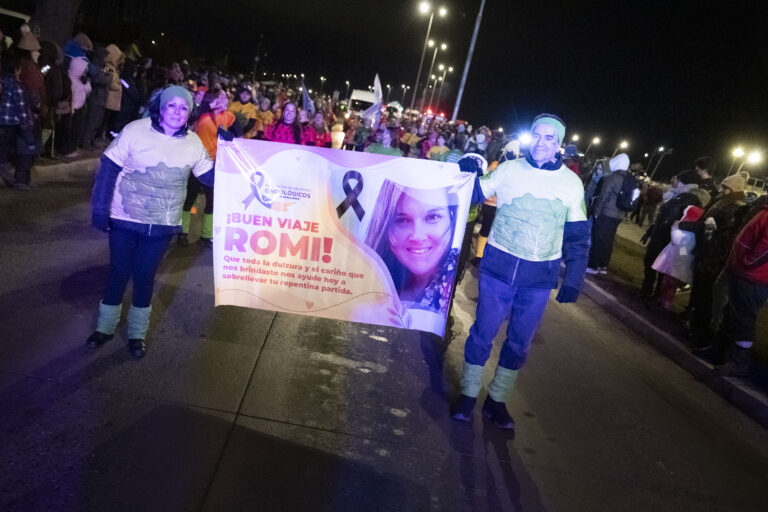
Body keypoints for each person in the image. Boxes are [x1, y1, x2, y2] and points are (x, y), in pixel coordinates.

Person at [450, 113, 589, 430]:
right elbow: (471, 194)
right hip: (498, 270)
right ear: (530, 137)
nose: (542, 142)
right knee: (482, 335)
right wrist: (466, 175)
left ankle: (497, 400)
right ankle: (469, 394)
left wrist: (575, 277)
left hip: (538, 280)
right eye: (537, 135)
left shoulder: (571, 183)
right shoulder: (509, 170)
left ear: (559, 145)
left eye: (550, 138)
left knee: (518, 344)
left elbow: (579, 236)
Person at [86, 85, 215, 358]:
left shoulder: (193, 142)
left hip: (161, 224)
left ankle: (136, 334)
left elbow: (209, 177)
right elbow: (108, 168)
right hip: (124, 218)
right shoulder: (135, 130)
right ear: (161, 106)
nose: (177, 112)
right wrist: (100, 208)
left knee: (144, 276)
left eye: (183, 108)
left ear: (190, 113)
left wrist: (232, 153)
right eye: (172, 105)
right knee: (118, 272)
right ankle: (104, 328)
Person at [365, 182, 459, 331]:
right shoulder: (373, 285)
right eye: (402, 220)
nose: (417, 235)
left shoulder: (453, 275)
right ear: (384, 226)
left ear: (452, 219)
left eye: (433, 217)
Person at [640, 170, 707, 300]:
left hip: (668, 238)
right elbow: (662, 215)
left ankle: (656, 296)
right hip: (659, 235)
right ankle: (646, 290)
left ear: (685, 183)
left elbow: (690, 221)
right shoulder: (679, 196)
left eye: (679, 180)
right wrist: (650, 232)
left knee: (662, 268)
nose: (675, 182)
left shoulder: (691, 199)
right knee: (649, 262)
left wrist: (676, 232)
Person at [651, 205, 704, 310]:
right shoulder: (693, 229)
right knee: (668, 284)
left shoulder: (685, 229)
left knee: (669, 284)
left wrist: (674, 229)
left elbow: (679, 243)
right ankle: (662, 302)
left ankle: (665, 304)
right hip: (677, 260)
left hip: (677, 261)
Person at [586, 153, 630, 274]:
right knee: (608, 241)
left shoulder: (612, 177)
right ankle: (603, 266)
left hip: (606, 213)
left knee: (598, 239)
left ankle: (593, 266)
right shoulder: (628, 178)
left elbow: (603, 196)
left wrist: (596, 211)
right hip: (618, 216)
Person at [0, 50, 36, 191]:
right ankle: (13, 176)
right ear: (16, 70)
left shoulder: (2, 83)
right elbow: (21, 110)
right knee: (8, 151)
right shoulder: (17, 88)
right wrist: (27, 127)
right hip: (10, 124)